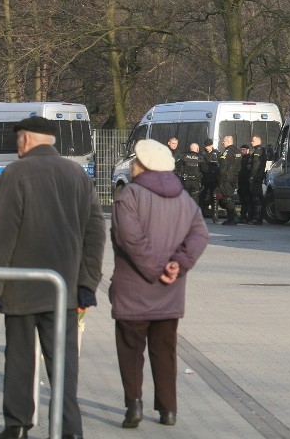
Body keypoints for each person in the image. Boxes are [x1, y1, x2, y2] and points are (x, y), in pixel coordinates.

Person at [0, 116, 106, 439]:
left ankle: (17, 425)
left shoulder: (15, 173)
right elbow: (95, 231)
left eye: (18, 139)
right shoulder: (76, 174)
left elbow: (3, 232)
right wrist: (88, 282)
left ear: (26, 139)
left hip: (21, 285)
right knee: (64, 363)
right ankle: (69, 430)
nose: (16, 145)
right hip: (64, 287)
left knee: (20, 359)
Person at [110, 139, 208, 429]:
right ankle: (168, 411)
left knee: (131, 349)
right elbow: (200, 235)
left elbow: (129, 239)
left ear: (142, 165)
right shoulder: (184, 199)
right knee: (165, 351)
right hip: (170, 292)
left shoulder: (129, 196)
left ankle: (134, 406)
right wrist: (177, 265)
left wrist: (156, 269)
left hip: (134, 290)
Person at [216, 135, 241, 225]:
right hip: (234, 177)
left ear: (228, 141)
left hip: (226, 178)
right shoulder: (238, 151)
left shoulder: (227, 152)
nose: (222, 143)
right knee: (229, 196)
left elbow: (223, 167)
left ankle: (232, 218)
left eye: (224, 141)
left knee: (227, 198)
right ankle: (233, 217)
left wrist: (220, 177)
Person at [198, 138, 220, 216]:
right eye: (206, 146)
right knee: (202, 196)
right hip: (204, 178)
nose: (207, 147)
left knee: (214, 196)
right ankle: (201, 212)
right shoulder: (202, 154)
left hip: (214, 178)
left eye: (208, 146)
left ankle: (215, 214)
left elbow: (220, 166)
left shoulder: (217, 153)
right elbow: (199, 166)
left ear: (211, 145)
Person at [248, 135, 266, 225]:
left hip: (256, 178)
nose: (251, 142)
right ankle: (254, 217)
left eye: (253, 141)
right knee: (255, 198)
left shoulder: (258, 151)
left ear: (258, 141)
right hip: (256, 177)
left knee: (256, 198)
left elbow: (256, 165)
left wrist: (252, 176)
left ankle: (258, 218)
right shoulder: (257, 150)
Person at [236, 144, 252, 223]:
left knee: (247, 200)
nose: (242, 151)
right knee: (243, 200)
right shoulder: (241, 159)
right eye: (241, 150)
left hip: (246, 182)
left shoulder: (249, 159)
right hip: (241, 182)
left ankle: (248, 216)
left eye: (244, 149)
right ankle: (243, 216)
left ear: (247, 150)